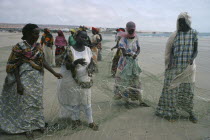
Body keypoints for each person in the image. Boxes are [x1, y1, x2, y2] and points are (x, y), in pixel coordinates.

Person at [0, 23, 63, 138]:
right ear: (28, 33)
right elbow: (14, 66)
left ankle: (38, 124)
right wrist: (18, 83)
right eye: (35, 33)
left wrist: (54, 73)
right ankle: (27, 127)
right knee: (26, 104)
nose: (37, 35)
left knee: (37, 102)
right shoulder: (19, 47)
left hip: (37, 80)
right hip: (24, 79)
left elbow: (42, 61)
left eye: (38, 33)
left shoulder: (38, 46)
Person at [155, 12, 198, 123]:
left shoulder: (194, 33)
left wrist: (192, 58)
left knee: (188, 90)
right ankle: (168, 111)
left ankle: (190, 112)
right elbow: (171, 50)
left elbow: (195, 50)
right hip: (175, 67)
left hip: (188, 68)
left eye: (183, 23)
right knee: (170, 89)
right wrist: (171, 61)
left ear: (188, 22)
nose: (181, 25)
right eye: (180, 23)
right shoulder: (175, 35)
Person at [57, 30, 98, 130]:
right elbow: (66, 66)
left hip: (85, 80)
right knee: (74, 102)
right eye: (82, 37)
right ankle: (76, 120)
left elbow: (92, 62)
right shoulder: (70, 49)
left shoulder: (88, 49)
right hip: (72, 80)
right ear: (76, 37)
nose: (84, 39)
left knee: (87, 102)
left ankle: (91, 122)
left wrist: (91, 67)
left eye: (85, 37)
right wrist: (75, 63)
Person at [114, 21, 149, 108]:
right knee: (125, 82)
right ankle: (126, 101)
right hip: (124, 64)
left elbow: (139, 48)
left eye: (132, 30)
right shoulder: (123, 39)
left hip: (134, 64)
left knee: (136, 81)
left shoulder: (136, 37)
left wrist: (136, 54)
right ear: (127, 29)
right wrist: (130, 54)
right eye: (129, 30)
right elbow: (124, 52)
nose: (131, 32)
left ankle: (141, 101)